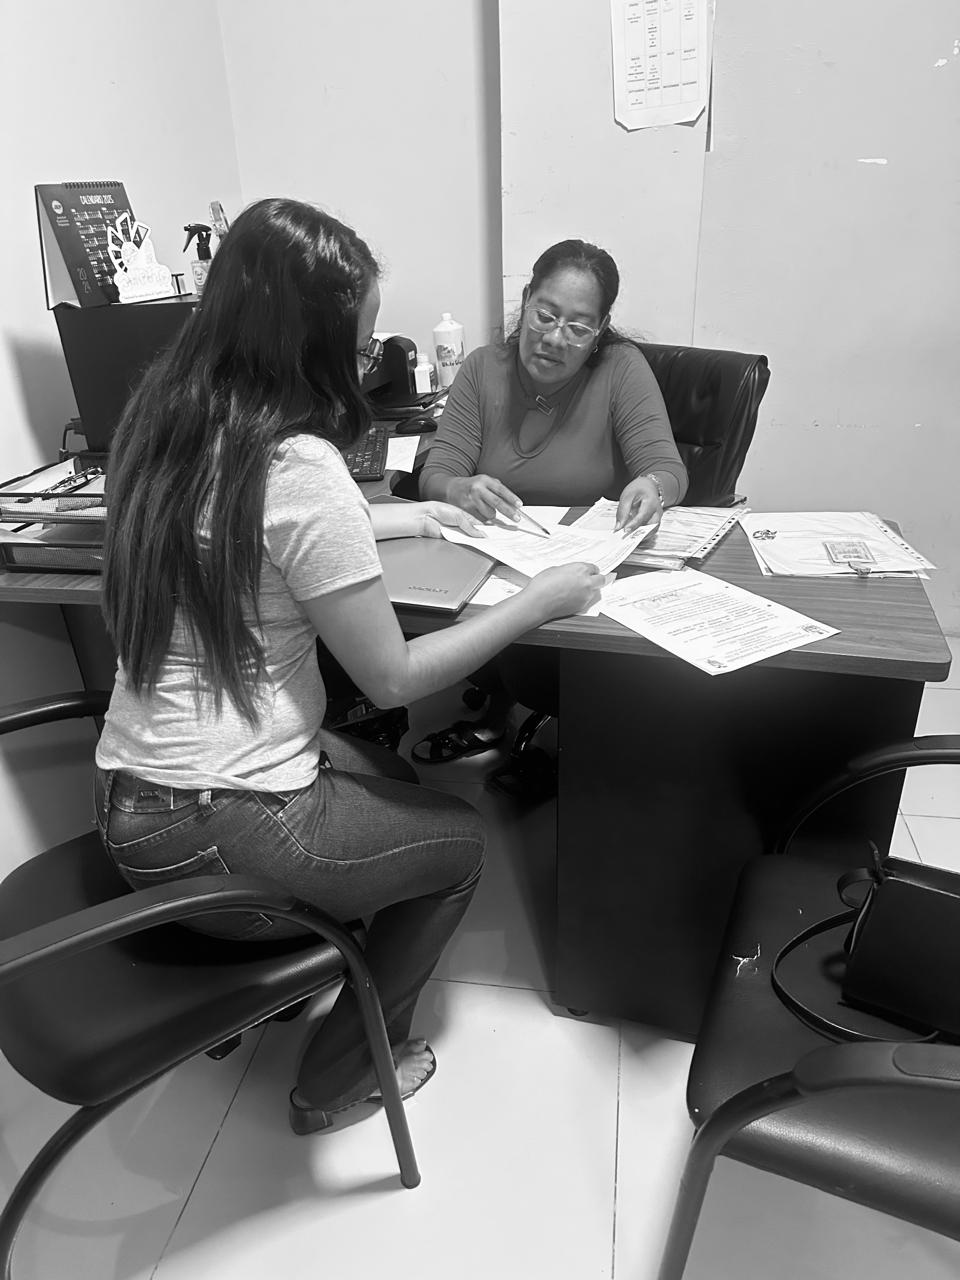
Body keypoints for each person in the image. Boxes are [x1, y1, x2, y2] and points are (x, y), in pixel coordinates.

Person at [94, 198, 607, 1136]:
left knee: (395, 779)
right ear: (311, 343)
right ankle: (340, 1077)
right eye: (362, 343)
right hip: (220, 830)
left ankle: (328, 953)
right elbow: (395, 679)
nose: (366, 363)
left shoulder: (161, 421)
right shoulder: (299, 464)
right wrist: (539, 601)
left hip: (130, 805)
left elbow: (247, 526)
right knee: (460, 847)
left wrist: (409, 515)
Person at [413, 238, 688, 771]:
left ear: (600, 330)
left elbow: (667, 467)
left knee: (558, 679)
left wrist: (652, 485)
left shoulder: (621, 369)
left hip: (586, 573)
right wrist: (457, 489)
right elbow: (437, 473)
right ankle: (502, 705)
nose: (556, 338)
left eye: (579, 327)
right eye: (545, 315)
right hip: (497, 568)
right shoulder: (482, 369)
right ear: (526, 301)